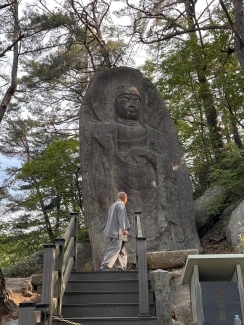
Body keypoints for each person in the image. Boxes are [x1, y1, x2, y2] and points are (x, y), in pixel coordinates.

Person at [97, 192, 130, 271]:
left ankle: (121, 268)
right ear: (125, 198)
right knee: (114, 248)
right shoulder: (121, 204)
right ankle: (105, 266)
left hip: (112, 231)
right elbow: (121, 217)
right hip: (118, 232)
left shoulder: (112, 206)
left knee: (121, 250)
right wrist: (124, 229)